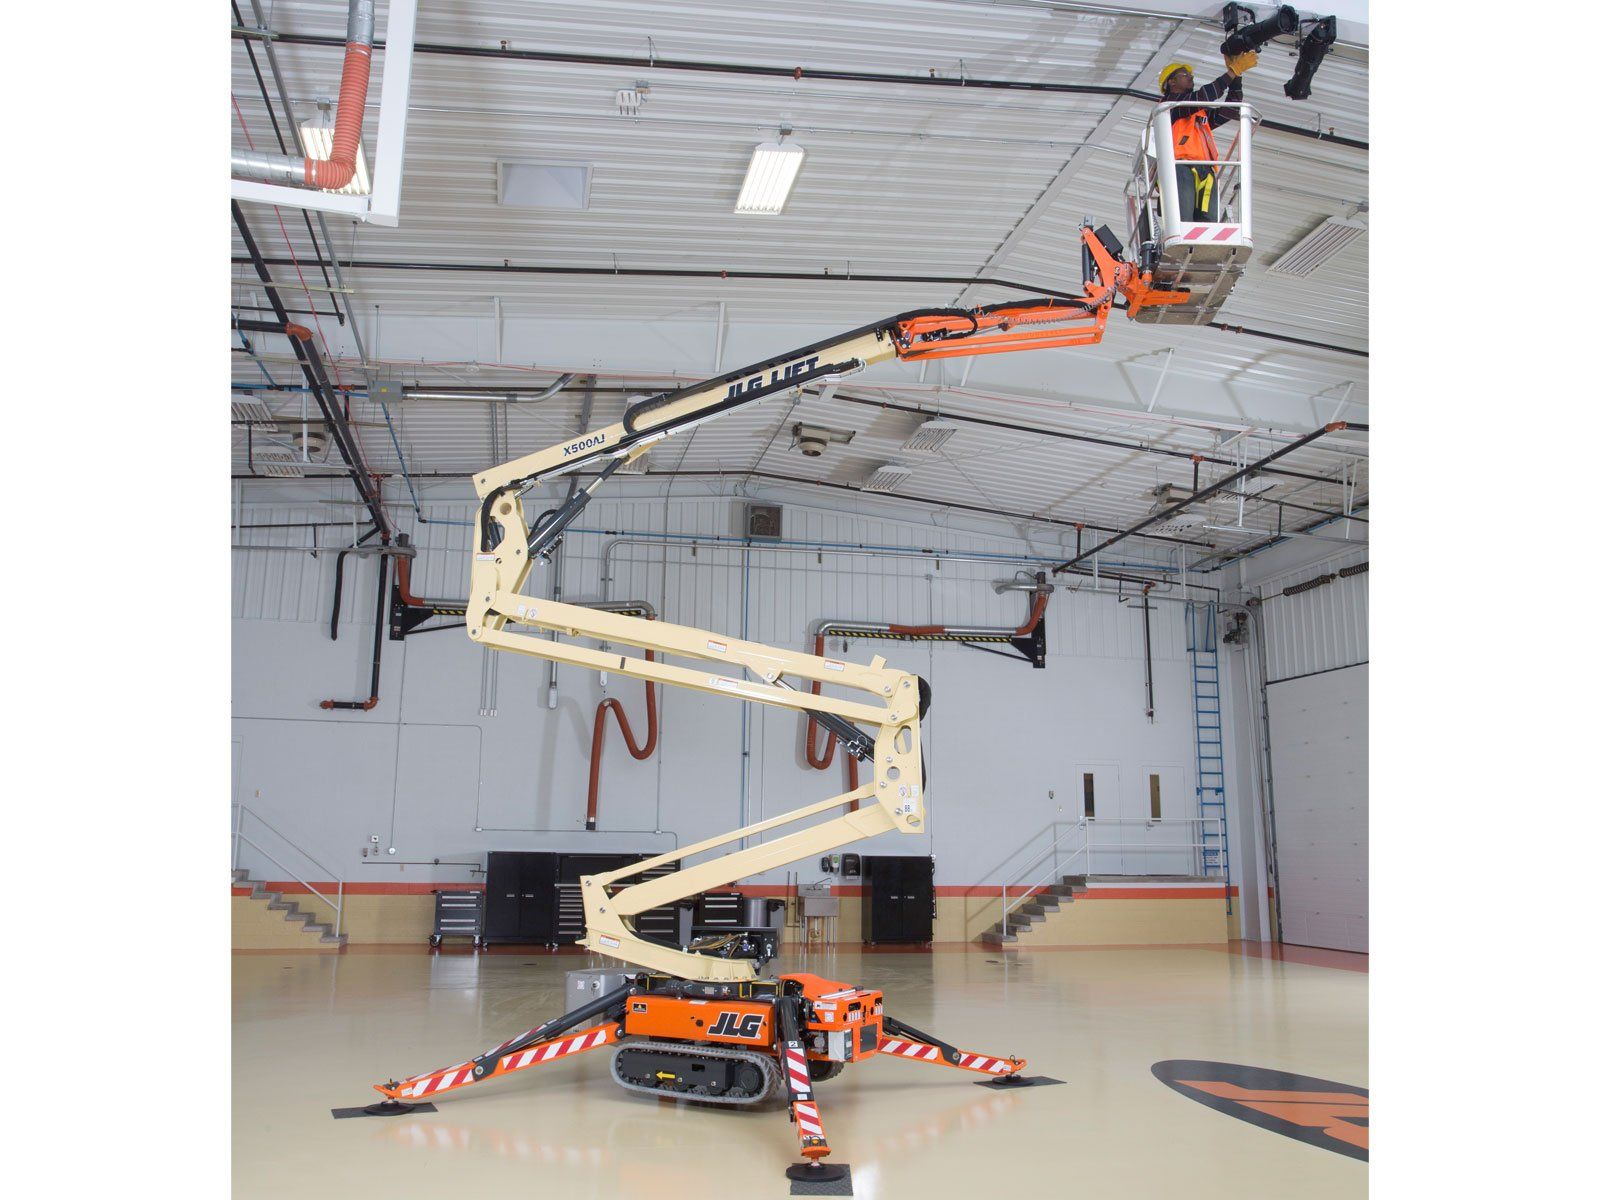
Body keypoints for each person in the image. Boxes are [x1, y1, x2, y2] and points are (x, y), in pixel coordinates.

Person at [1157, 52, 1256, 223]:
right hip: (1180, 167)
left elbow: (1230, 110)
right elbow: (1205, 96)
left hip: (1206, 170)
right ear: (1171, 82)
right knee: (1183, 221)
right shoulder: (1170, 106)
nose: (1191, 77)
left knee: (1208, 223)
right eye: (1185, 74)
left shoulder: (1198, 112)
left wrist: (1237, 77)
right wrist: (1233, 71)